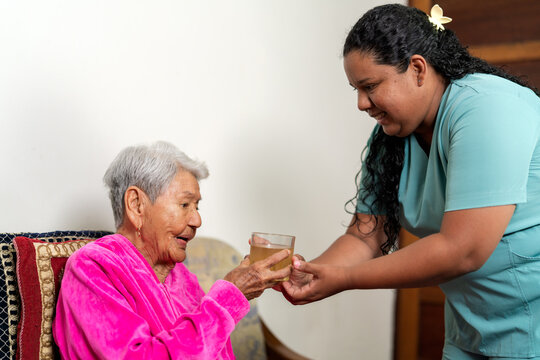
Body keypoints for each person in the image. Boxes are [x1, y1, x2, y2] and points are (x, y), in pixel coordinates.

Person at [281, 3, 540, 359]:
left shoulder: (487, 108)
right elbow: (364, 234)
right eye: (355, 88)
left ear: (418, 69)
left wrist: (345, 279)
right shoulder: (391, 137)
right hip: (470, 327)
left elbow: (463, 249)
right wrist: (313, 273)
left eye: (370, 86)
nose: (360, 103)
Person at [52, 141, 290, 359]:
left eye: (197, 207)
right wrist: (228, 298)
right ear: (136, 205)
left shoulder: (182, 279)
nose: (197, 220)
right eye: (185, 205)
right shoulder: (93, 267)